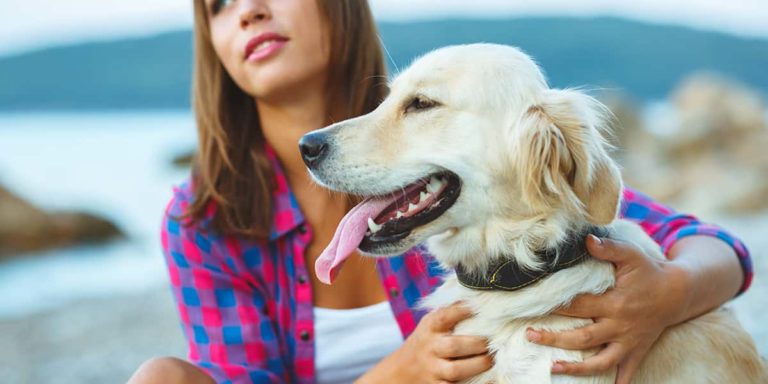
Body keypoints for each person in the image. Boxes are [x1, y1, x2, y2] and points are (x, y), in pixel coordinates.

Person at [128, 1, 754, 383]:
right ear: (213, 45)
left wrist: (668, 293)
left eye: (420, 106)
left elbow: (694, 238)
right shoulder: (203, 220)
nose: (250, 9)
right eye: (219, 3)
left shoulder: (478, 163)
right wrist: (399, 375)